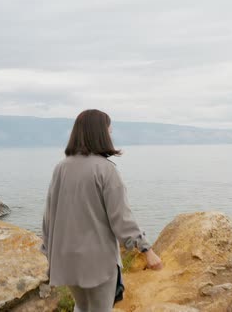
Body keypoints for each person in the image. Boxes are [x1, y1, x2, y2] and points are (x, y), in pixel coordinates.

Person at [41, 109, 163, 312]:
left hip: (66, 258)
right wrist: (147, 250)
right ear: (100, 133)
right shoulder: (106, 170)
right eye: (109, 130)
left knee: (81, 306)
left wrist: (48, 252)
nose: (111, 133)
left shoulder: (61, 167)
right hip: (97, 261)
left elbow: (49, 216)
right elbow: (122, 219)